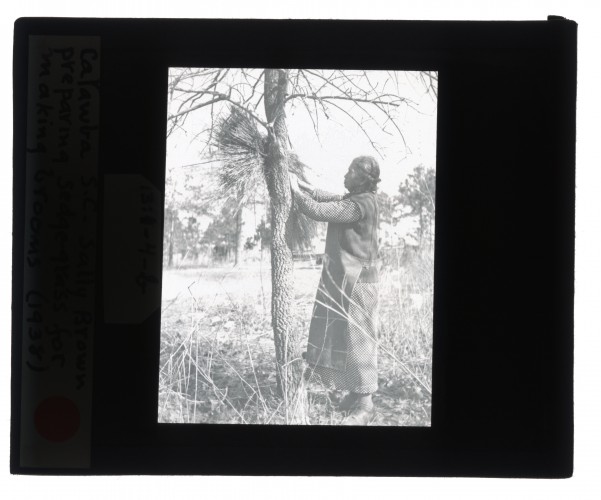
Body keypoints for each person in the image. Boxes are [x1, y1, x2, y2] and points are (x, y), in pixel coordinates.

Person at [289, 156, 380, 425]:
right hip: (354, 280)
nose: (346, 173)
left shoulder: (359, 205)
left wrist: (295, 193)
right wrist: (308, 188)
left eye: (351, 170)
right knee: (349, 339)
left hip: (358, 284)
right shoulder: (361, 199)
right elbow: (334, 199)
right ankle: (356, 393)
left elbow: (324, 211)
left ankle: (366, 404)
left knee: (359, 342)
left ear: (364, 178)